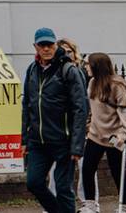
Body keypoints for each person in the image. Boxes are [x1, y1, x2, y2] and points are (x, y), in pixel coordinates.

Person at [24, 27, 89, 213]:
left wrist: (77, 145)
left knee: (63, 188)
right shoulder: (31, 70)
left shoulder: (68, 70)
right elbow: (26, 105)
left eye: (50, 44)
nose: (46, 48)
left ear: (55, 44)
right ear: (35, 46)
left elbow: (80, 108)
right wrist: (24, 138)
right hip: (38, 141)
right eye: (42, 45)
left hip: (63, 141)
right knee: (33, 182)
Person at [81, 52, 126, 213]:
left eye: (88, 64)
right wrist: (89, 125)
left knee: (118, 173)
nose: (85, 67)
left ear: (96, 66)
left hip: (114, 137)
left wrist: (123, 135)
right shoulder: (92, 84)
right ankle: (90, 206)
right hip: (95, 135)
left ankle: (125, 208)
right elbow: (92, 109)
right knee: (87, 169)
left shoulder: (117, 86)